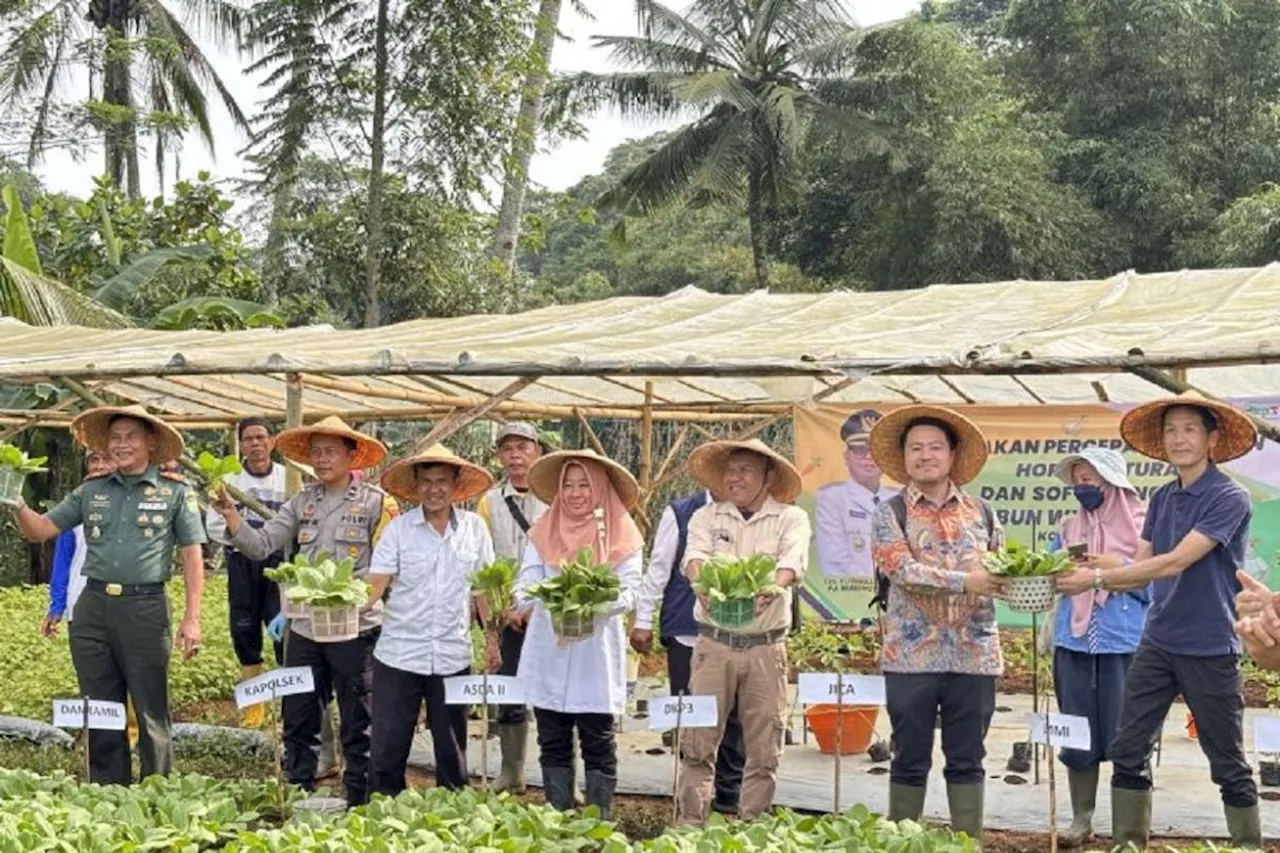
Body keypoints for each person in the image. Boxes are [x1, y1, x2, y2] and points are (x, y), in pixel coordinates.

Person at [1056, 392, 1262, 849]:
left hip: (1209, 643)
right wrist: (1079, 574)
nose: (1178, 438)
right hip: (1158, 641)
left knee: (1225, 758)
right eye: (1170, 430)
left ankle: (1247, 845)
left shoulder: (1229, 497)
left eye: (1189, 429)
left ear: (1211, 439)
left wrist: (1094, 577)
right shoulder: (1164, 496)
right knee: (1129, 748)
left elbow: (1173, 563)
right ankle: (1129, 842)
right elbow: (1138, 570)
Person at [11, 405, 205, 784]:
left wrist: (192, 617)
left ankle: (156, 790)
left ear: (151, 442)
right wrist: (14, 501)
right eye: (114, 438)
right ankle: (108, 789)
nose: (121, 444)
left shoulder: (174, 493)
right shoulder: (91, 492)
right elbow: (41, 530)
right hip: (92, 610)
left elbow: (192, 554)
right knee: (98, 706)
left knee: (150, 707)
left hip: (145, 607)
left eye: (130, 436)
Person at [211, 416, 397, 807]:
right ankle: (298, 792)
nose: (322, 459)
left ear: (351, 455)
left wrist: (364, 600)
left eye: (331, 451)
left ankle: (360, 799)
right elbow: (262, 545)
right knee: (299, 715)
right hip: (305, 628)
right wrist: (231, 515)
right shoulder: (302, 502)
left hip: (354, 628)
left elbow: (386, 565)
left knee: (358, 717)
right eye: (316, 453)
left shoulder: (377, 503)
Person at [868, 405, 1005, 843]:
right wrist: (970, 581)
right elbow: (902, 570)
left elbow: (1001, 571)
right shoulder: (889, 513)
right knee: (909, 757)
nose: (925, 456)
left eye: (934, 447)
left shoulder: (983, 512)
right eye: (915, 449)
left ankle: (968, 844)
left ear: (951, 455)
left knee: (968, 758)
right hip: (911, 656)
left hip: (975, 652)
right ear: (905, 458)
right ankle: (904, 844)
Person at [675, 438, 811, 826]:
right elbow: (694, 557)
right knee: (699, 742)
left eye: (745, 470)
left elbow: (792, 560)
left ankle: (753, 825)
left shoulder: (790, 518)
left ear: (768, 476)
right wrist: (701, 585)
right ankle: (690, 825)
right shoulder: (707, 516)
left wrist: (774, 587)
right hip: (713, 646)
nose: (734, 477)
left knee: (764, 747)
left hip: (766, 648)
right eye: (730, 470)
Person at [511, 449, 643, 819]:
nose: (575, 492)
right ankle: (558, 818)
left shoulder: (622, 532)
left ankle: (598, 822)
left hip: (595, 653)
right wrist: (533, 598)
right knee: (551, 738)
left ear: (599, 488)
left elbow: (630, 589)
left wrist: (594, 601)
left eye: (584, 484)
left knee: (598, 739)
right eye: (567, 484)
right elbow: (527, 578)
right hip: (548, 647)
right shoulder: (543, 529)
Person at [367, 444, 496, 795]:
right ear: (416, 485)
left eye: (441, 481)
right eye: (426, 481)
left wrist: (493, 642)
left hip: (453, 654)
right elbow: (376, 583)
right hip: (399, 654)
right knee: (387, 746)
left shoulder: (474, 529)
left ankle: (452, 818)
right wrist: (341, 602)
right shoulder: (399, 530)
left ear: (455, 485)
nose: (434, 489)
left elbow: (483, 589)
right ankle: (380, 814)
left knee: (452, 747)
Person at [1049, 447, 1150, 848]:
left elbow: (1158, 585)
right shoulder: (1069, 527)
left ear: (1113, 481)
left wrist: (1114, 570)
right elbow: (1053, 576)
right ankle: (1080, 819)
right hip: (1073, 642)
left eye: (1090, 477)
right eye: (1077, 478)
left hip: (1123, 644)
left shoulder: (1146, 531)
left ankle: (1130, 833)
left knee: (1130, 734)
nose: (1082, 485)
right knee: (1076, 732)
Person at [631, 487, 745, 815]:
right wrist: (643, 620)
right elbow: (659, 568)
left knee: (735, 715)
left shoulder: (752, 510)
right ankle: (692, 795)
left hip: (736, 632)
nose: (731, 478)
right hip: (687, 629)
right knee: (691, 713)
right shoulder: (681, 512)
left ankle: (729, 795)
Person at [475, 423, 549, 795]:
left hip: (550, 611)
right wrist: (495, 618)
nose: (515, 455)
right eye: (507, 449)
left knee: (556, 693)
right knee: (508, 689)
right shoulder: (488, 503)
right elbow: (484, 566)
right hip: (507, 614)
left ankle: (559, 774)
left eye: (523, 447)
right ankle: (511, 771)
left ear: (538, 451)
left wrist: (539, 605)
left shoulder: (555, 496)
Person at [205, 417, 289, 729]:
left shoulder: (288, 479)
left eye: (261, 437)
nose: (255, 444)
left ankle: (289, 708)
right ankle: (254, 711)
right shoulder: (228, 480)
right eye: (249, 439)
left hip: (278, 564)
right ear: (240, 444)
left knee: (284, 633)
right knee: (244, 630)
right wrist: (244, 539)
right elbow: (215, 525)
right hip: (241, 563)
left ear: (273, 441)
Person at [816, 410, 898, 580]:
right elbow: (834, 563)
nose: (869, 457)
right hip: (850, 597)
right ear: (846, 457)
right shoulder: (831, 499)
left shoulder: (898, 499)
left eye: (875, 450)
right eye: (860, 450)